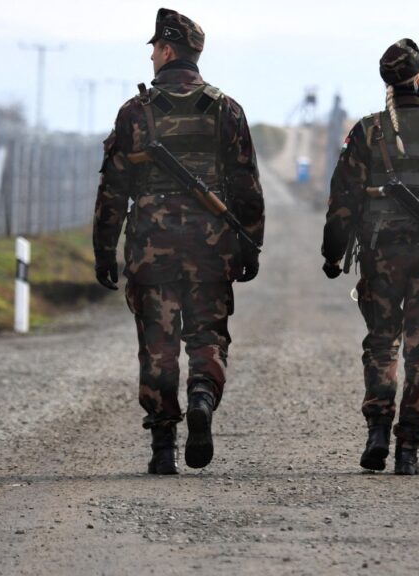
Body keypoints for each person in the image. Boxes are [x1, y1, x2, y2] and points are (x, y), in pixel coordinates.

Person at [93, 8, 264, 475]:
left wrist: (103, 249)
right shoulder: (227, 109)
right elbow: (247, 185)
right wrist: (250, 244)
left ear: (166, 50)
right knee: (207, 333)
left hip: (152, 244)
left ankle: (164, 445)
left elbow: (113, 189)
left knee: (157, 342)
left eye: (154, 48)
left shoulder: (135, 112)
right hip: (211, 244)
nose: (151, 56)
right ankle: (203, 397)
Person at [321, 38, 419, 475]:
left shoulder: (366, 131)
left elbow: (343, 199)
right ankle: (408, 447)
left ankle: (377, 429)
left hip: (378, 254)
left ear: (387, 84)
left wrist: (333, 253)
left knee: (381, 344)